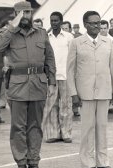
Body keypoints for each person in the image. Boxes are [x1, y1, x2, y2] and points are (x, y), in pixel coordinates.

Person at [0, 1, 56, 168]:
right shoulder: (9, 34)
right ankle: (21, 166)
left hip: (38, 84)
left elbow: (50, 59)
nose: (25, 16)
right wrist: (12, 27)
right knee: (18, 128)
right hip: (18, 86)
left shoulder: (42, 34)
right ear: (15, 14)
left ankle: (34, 164)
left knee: (36, 126)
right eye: (21, 13)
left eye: (28, 12)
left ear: (32, 13)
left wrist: (51, 82)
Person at [67, 11, 113, 168]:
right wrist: (73, 93)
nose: (97, 26)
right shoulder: (76, 43)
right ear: (85, 24)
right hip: (85, 93)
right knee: (87, 128)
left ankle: (103, 162)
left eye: (98, 23)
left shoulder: (108, 42)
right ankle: (88, 163)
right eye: (93, 23)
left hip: (104, 91)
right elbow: (70, 70)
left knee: (102, 128)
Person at [43, 11, 73, 143]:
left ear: (61, 21)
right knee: (51, 105)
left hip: (66, 75)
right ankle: (53, 133)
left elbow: (73, 57)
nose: (53, 23)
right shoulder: (46, 37)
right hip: (51, 77)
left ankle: (66, 133)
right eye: (52, 20)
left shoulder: (68, 37)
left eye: (56, 20)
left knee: (66, 105)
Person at [61, 21, 80, 117]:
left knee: (73, 89)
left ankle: (75, 109)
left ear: (70, 29)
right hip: (62, 69)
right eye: (63, 29)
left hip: (72, 68)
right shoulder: (60, 39)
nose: (64, 30)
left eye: (66, 28)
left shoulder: (74, 39)